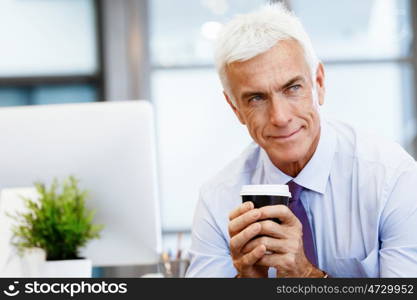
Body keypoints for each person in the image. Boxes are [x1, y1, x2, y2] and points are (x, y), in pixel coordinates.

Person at [185, 4, 417, 278]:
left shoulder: (392, 177)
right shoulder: (217, 199)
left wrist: (306, 276)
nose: (280, 117)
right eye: (256, 98)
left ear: (318, 83)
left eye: (292, 88)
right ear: (235, 108)